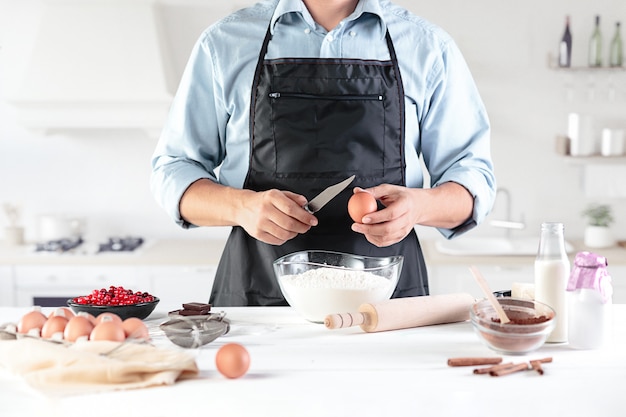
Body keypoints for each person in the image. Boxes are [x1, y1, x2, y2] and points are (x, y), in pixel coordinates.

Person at [151, 0, 496, 306]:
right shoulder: (225, 43)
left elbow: (473, 181)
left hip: (385, 306)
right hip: (259, 301)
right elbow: (173, 170)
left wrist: (418, 207)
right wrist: (242, 207)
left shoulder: (427, 46)